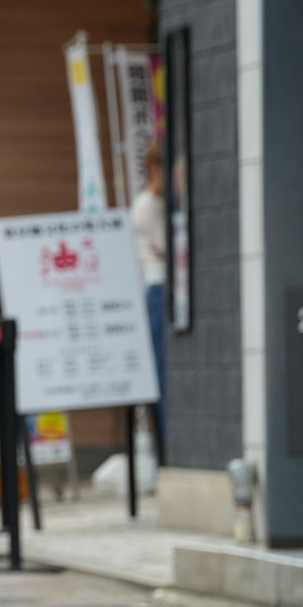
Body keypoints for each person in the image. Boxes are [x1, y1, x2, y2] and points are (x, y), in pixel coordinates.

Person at [132, 142, 167, 452]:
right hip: (158, 291)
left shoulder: (162, 203)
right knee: (162, 378)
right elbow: (167, 251)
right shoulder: (147, 205)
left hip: (162, 292)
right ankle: (163, 455)